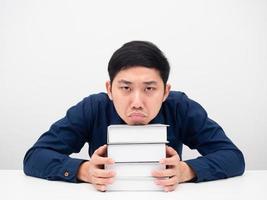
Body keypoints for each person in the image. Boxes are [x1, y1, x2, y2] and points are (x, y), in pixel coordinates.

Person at [23, 41, 245, 192]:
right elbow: (34, 157)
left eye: (149, 89)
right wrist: (83, 171)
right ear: (110, 89)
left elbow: (233, 157)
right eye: (126, 88)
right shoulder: (93, 108)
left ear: (165, 91)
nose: (137, 102)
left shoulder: (180, 107)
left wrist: (186, 171)